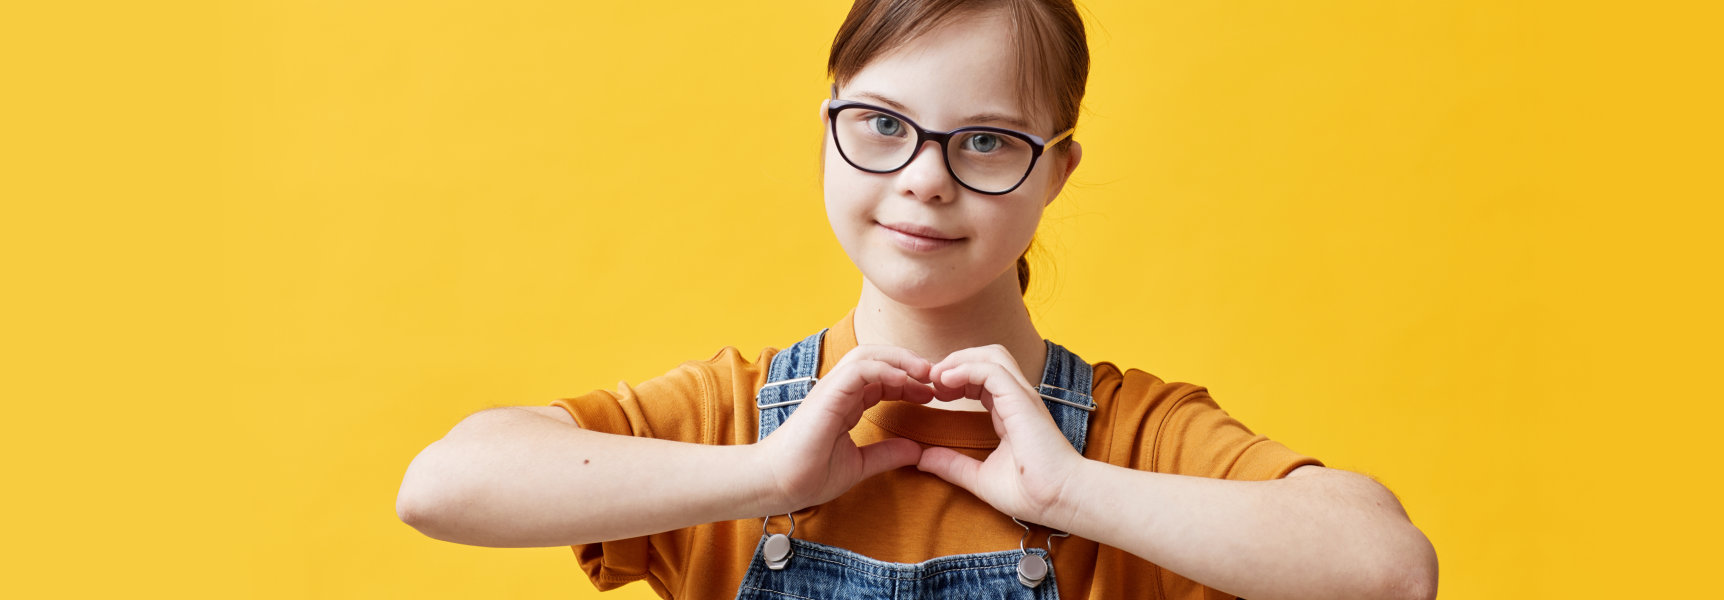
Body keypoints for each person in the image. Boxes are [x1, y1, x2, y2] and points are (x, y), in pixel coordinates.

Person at [396, 0, 1438, 598]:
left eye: (986, 140)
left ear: (1057, 172)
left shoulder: (1135, 437)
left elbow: (1389, 569)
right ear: (830, 128)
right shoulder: (737, 416)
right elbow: (442, 486)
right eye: (884, 125)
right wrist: (764, 471)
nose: (926, 177)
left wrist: (1073, 494)